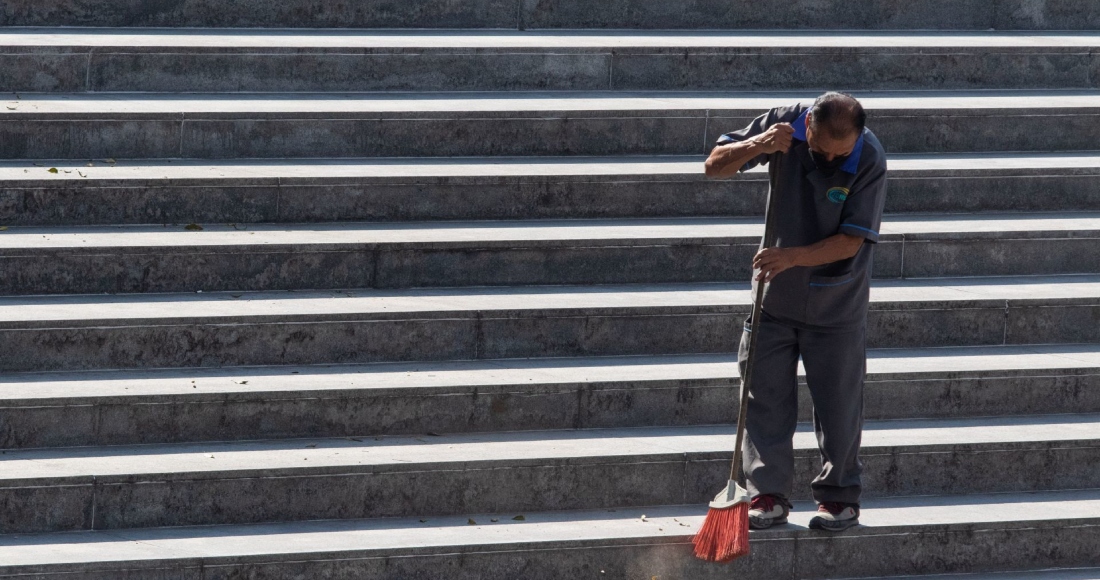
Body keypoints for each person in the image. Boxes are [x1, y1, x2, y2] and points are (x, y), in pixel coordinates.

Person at [704, 92, 887, 532]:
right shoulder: (782, 123)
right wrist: (759, 145)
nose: (827, 158)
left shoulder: (869, 158)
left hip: (836, 302)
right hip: (775, 299)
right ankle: (767, 494)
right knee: (764, 398)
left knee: (839, 406)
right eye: (820, 148)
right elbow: (713, 165)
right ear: (808, 126)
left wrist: (792, 257)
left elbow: (851, 240)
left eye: (837, 153)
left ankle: (839, 497)